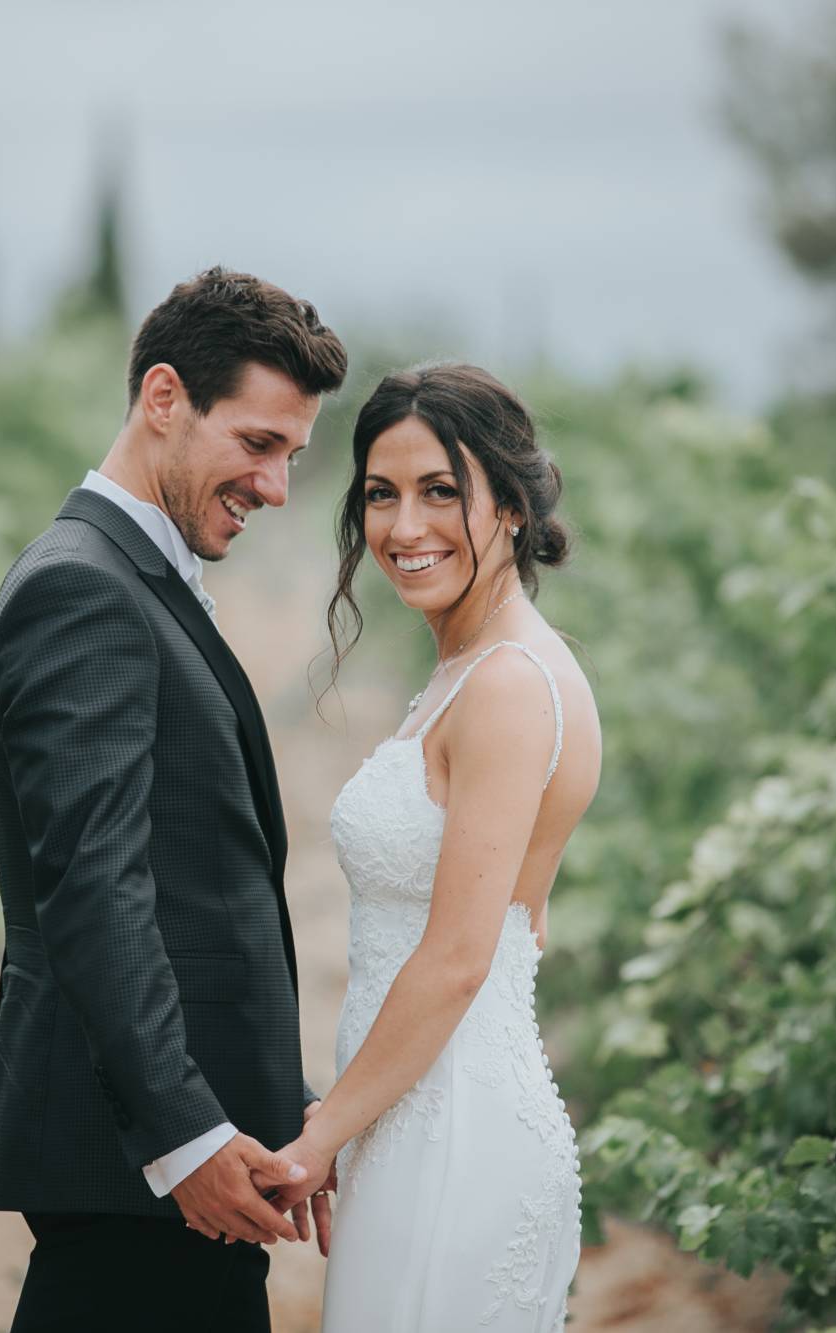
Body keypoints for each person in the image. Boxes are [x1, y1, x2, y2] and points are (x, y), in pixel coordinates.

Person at [0, 266, 349, 1332]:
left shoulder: (132, 574)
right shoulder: (84, 587)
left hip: (184, 1155)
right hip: (147, 1164)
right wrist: (183, 1135)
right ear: (163, 398)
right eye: (258, 445)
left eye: (292, 457)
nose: (275, 488)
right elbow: (94, 888)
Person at [270, 363, 602, 1331]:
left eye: (438, 491)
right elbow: (519, 920)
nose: (402, 527)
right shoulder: (473, 668)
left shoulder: (502, 683)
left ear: (509, 504)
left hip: (453, 1130)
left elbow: (460, 956)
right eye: (380, 494)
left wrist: (316, 1139)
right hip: (416, 1111)